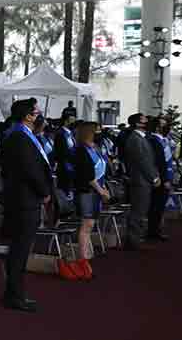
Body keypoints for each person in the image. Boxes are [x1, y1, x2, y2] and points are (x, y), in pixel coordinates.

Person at [0, 98, 54, 312]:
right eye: (36, 111)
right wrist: (44, 191)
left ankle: (16, 292)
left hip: (24, 198)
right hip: (24, 199)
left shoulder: (22, 135)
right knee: (20, 249)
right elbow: (30, 170)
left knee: (21, 249)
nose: (39, 114)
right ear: (28, 116)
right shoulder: (19, 137)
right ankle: (15, 295)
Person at [70, 121, 110, 279]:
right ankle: (83, 258)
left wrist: (103, 189)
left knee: (91, 224)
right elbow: (87, 176)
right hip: (87, 191)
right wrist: (101, 191)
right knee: (86, 224)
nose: (100, 132)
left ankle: (86, 255)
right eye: (97, 130)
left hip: (97, 190)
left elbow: (101, 169)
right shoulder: (80, 150)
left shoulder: (96, 148)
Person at [119, 113, 157, 250]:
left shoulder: (141, 138)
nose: (147, 121)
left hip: (143, 180)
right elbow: (142, 161)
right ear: (138, 124)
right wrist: (154, 177)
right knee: (138, 211)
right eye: (144, 119)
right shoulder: (135, 139)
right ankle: (133, 241)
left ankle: (136, 239)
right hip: (140, 180)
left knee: (141, 211)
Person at [145, 116, 173, 241]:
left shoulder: (164, 140)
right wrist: (164, 179)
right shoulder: (153, 140)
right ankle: (152, 232)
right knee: (156, 206)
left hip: (168, 174)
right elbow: (158, 162)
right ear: (157, 127)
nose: (167, 127)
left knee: (160, 206)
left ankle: (156, 230)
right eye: (164, 124)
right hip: (160, 178)